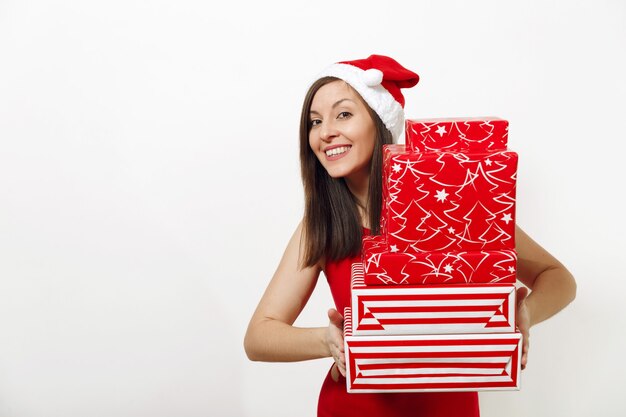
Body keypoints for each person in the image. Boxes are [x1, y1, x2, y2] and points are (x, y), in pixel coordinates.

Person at [244, 54, 577, 417]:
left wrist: (522, 313)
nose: (325, 132)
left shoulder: (452, 203)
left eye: (343, 114)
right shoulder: (322, 223)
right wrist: (328, 341)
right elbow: (259, 336)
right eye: (314, 121)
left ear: (379, 121)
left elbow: (558, 278)